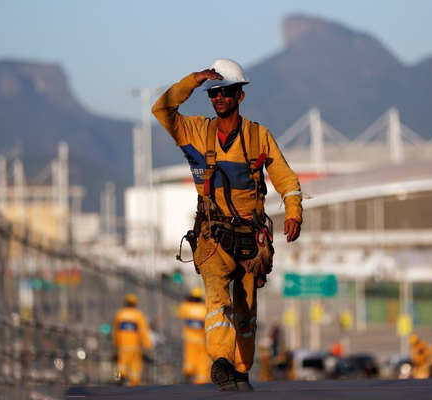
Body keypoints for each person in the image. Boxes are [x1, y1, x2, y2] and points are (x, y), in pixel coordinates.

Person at [153, 58, 303, 392]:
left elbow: (286, 179)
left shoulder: (258, 137)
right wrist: (192, 80)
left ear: (240, 95)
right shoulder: (194, 131)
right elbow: (162, 110)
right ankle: (221, 360)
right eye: (213, 93)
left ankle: (240, 368)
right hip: (212, 238)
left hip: (251, 240)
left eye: (226, 92)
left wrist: (293, 211)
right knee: (217, 301)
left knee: (246, 311)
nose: (219, 98)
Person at [113, 294, 152, 386]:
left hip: (123, 346)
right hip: (135, 346)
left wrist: (115, 343)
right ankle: (134, 383)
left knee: (121, 364)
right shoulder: (138, 315)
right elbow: (143, 331)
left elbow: (116, 330)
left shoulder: (120, 314)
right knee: (135, 366)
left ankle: (119, 379)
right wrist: (147, 345)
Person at [177, 287, 210, 384]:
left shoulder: (187, 307)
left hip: (189, 339)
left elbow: (180, 312)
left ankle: (188, 371)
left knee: (190, 357)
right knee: (202, 360)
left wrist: (186, 301)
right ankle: (201, 379)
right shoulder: (204, 308)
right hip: (202, 340)